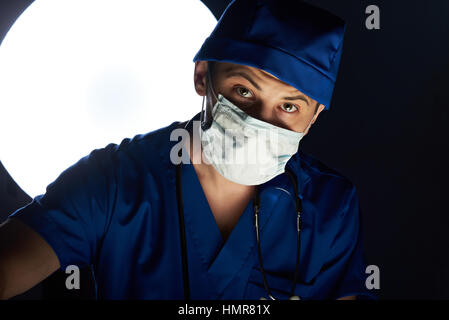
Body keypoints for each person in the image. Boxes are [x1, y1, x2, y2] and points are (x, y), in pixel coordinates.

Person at [0, 0, 377, 300]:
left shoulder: (329, 206)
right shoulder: (114, 183)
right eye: (243, 92)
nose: (261, 122)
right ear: (203, 77)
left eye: (289, 107)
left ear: (314, 117)